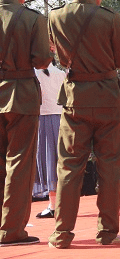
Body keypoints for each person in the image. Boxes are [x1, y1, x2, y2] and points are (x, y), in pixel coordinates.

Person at [48, 0, 120, 248]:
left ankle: (62, 234)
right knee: (109, 168)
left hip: (75, 99)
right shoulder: (110, 18)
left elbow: (58, 57)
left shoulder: (56, 16)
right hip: (108, 98)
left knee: (70, 167)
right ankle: (108, 232)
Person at [0, 0, 52, 247]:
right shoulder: (32, 18)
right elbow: (42, 60)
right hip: (20, 94)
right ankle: (11, 230)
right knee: (19, 164)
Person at [33, 52, 67, 219]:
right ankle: (62, 203)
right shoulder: (62, 73)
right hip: (62, 119)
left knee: (48, 164)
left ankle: (53, 205)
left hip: (43, 120)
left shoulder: (34, 74)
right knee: (61, 163)